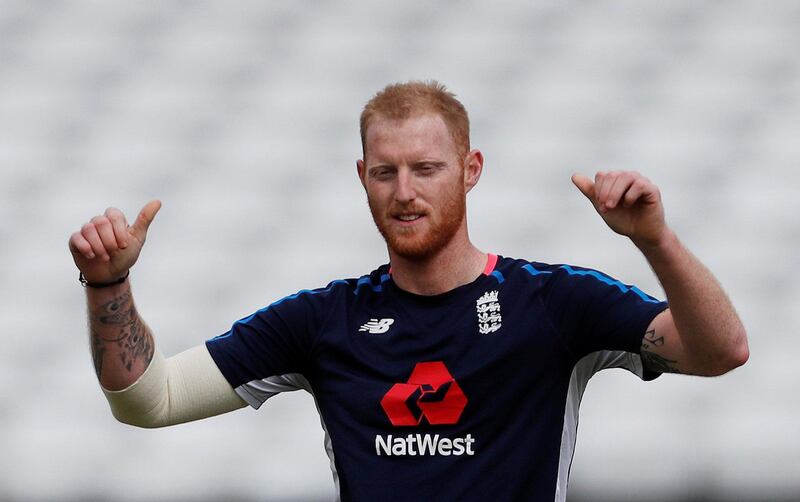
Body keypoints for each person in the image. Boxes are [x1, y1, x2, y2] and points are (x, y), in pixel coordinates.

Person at [69, 81, 748, 501]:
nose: (404, 192)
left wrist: (653, 239)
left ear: (470, 169)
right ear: (361, 175)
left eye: (426, 168)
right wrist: (109, 283)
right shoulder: (322, 320)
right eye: (386, 172)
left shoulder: (554, 303)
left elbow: (721, 351)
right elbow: (147, 401)